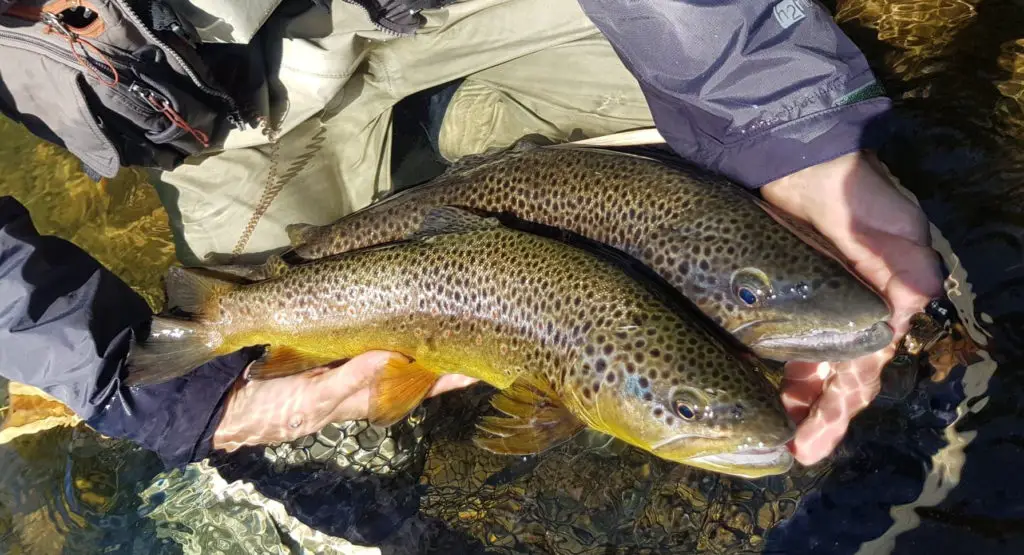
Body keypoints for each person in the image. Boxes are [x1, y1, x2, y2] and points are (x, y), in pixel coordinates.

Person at [0, 0, 942, 471]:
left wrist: (794, 128)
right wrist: (121, 373)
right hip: (224, 121)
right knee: (264, 319)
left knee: (738, 136)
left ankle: (464, 136)